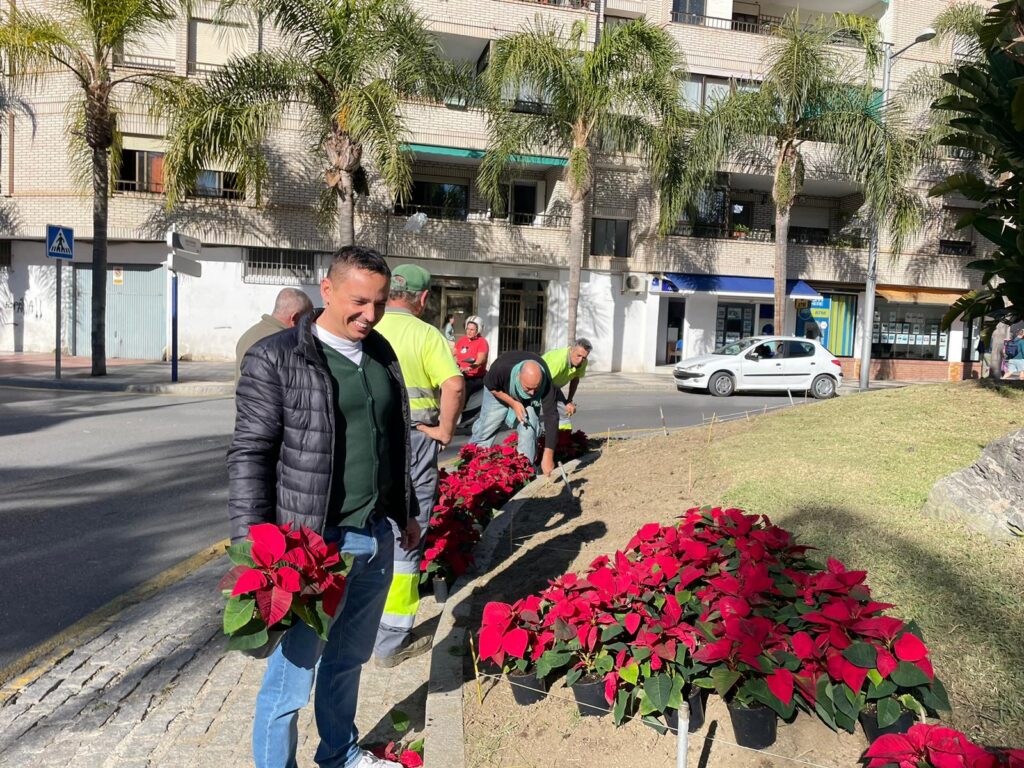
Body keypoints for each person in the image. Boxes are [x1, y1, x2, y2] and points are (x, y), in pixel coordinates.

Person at [229, 245, 418, 768]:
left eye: (379, 302)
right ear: (327, 290)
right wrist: (253, 546)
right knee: (291, 678)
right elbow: (250, 454)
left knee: (348, 660)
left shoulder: (380, 352)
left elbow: (391, 440)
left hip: (373, 536)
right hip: (311, 546)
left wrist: (405, 510)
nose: (370, 314)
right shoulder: (276, 357)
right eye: (359, 301)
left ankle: (340, 754)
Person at [372, 265, 464, 668]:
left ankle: (358, 625)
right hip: (414, 441)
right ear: (423, 298)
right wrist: (445, 430)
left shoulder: (367, 326)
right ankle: (391, 641)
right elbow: (454, 384)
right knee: (407, 534)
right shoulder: (426, 335)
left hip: (367, 441)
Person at [469, 350, 557, 476]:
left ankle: (524, 471)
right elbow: (491, 387)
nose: (532, 393)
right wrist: (513, 403)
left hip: (524, 396)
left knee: (530, 426)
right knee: (487, 426)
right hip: (499, 390)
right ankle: (473, 466)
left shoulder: (545, 381)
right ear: (518, 376)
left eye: (536, 388)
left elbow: (551, 416)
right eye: (528, 388)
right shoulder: (501, 369)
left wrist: (548, 456)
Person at [234, 288, 313, 381]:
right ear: (295, 318)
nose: (310, 326)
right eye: (308, 320)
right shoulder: (285, 343)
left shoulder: (248, 334)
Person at [542, 338, 592, 421]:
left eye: (584, 357)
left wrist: (569, 400)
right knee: (549, 415)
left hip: (553, 386)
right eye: (578, 355)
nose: (580, 360)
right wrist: (563, 402)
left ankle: (560, 428)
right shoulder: (559, 361)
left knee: (564, 412)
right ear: (571, 350)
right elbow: (546, 384)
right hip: (539, 384)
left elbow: (575, 379)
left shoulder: (583, 362)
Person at [454, 315, 489, 399]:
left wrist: (469, 368)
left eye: (472, 330)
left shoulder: (482, 342)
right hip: (460, 375)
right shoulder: (462, 340)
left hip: (474, 378)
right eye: (467, 329)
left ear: (478, 330)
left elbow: (481, 359)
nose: (469, 331)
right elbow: (452, 353)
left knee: (462, 396)